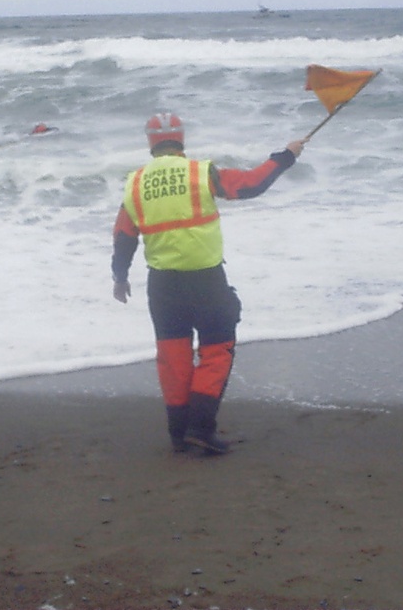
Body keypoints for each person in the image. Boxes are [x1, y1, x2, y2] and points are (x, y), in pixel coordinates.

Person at [111, 112, 305, 455]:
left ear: (150, 143)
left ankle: (178, 434)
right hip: (206, 280)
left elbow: (124, 235)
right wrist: (285, 156)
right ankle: (201, 428)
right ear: (181, 139)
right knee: (216, 350)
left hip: (162, 284)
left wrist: (120, 276)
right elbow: (251, 184)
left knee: (173, 359)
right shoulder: (201, 172)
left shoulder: (136, 183)